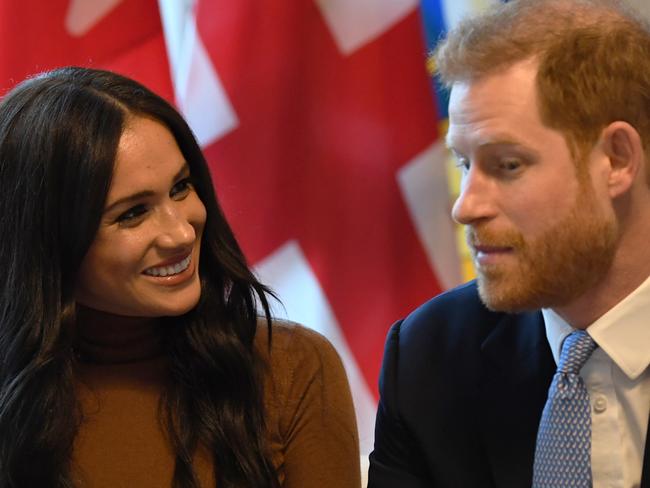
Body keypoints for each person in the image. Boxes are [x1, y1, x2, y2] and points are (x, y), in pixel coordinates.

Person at [0, 66, 360, 488]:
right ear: (46, 241)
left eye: (181, 187)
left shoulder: (291, 368)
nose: (182, 233)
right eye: (133, 213)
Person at [368, 0, 650, 486]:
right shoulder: (429, 356)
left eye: (507, 165)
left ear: (617, 160)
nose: (465, 206)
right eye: (463, 163)